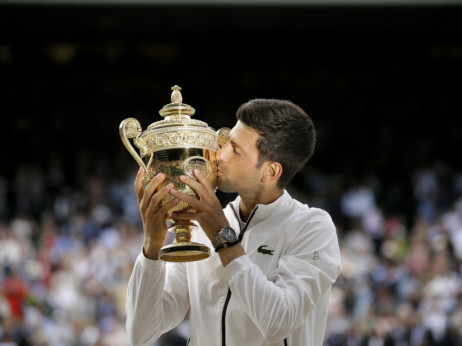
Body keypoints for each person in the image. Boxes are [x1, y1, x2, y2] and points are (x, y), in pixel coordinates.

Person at [126, 99, 342, 346]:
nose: (220, 155)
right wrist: (152, 248)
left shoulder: (312, 227)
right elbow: (140, 334)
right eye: (226, 142)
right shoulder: (198, 226)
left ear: (270, 172)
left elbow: (278, 321)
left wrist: (220, 234)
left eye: (236, 150)